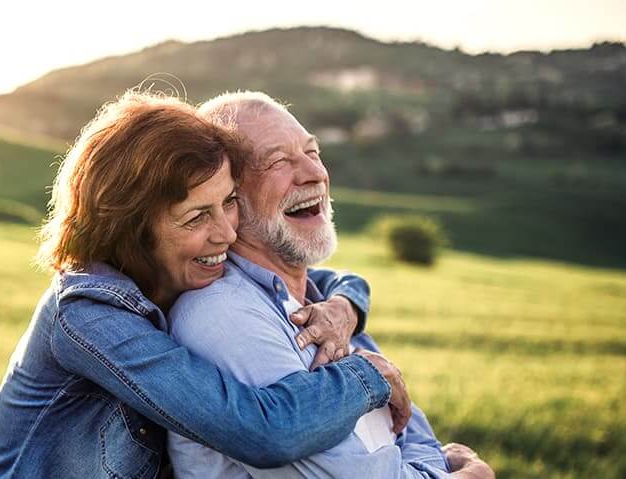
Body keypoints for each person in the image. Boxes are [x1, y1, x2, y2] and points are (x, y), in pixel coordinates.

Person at [0, 91, 411, 478]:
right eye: (198, 216)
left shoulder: (174, 273)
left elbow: (324, 279)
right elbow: (262, 432)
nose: (227, 233)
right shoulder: (87, 315)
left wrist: (345, 306)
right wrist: (367, 374)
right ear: (133, 229)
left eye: (229, 202)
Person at [166, 91, 495, 479]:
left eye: (313, 152)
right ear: (227, 195)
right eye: (278, 162)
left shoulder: (327, 308)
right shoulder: (223, 316)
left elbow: (404, 429)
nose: (314, 174)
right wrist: (471, 476)